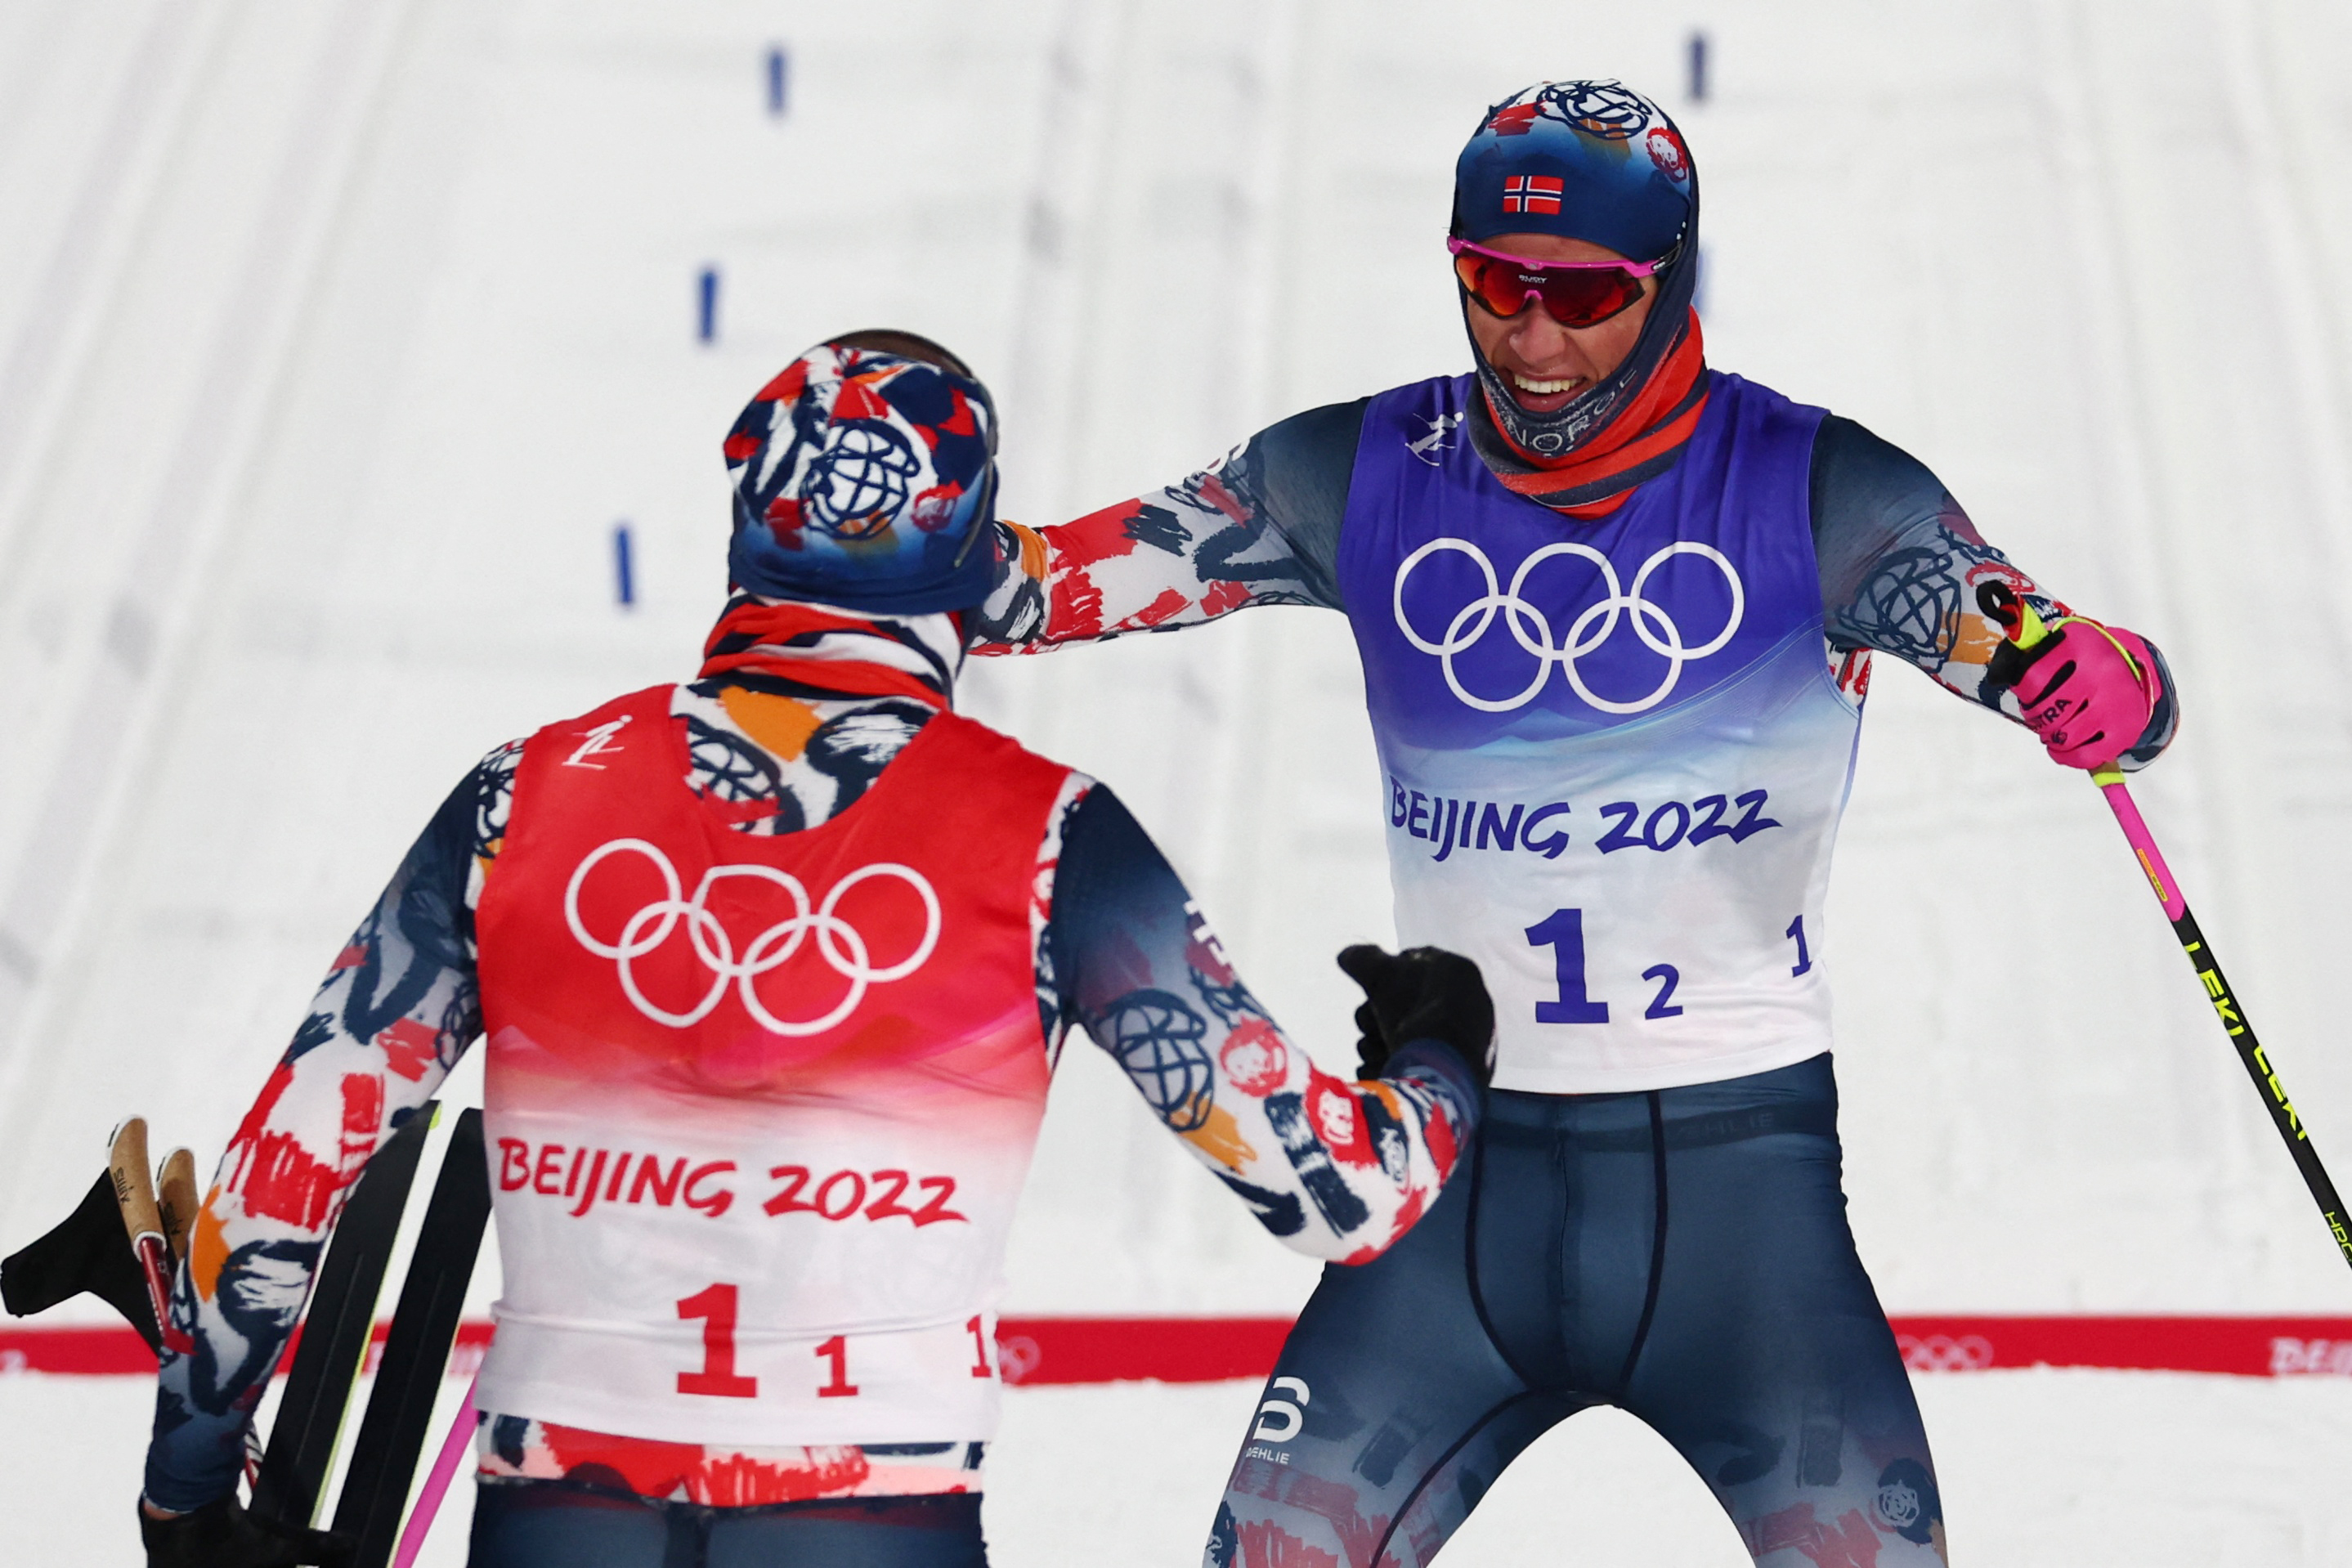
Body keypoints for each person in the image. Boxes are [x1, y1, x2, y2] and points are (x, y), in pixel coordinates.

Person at [970, 81, 2177, 1567]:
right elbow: (1045, 584)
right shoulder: (1358, 470)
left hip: (1741, 1205)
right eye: (1491, 283)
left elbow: (2067, 658)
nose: (1531, 341)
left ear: (1669, 282)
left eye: (1584, 296)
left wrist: (2107, 682)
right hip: (1452, 1187)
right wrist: (872, 545)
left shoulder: (1819, 490)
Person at [134, 331, 1494, 1568]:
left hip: (562, 1511)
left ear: (744, 537)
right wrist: (1442, 1050)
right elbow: (1342, 1199)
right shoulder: (1055, 839)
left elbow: (282, 1184)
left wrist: (187, 1492)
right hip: (868, 1515)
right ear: (975, 565)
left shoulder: (517, 798)